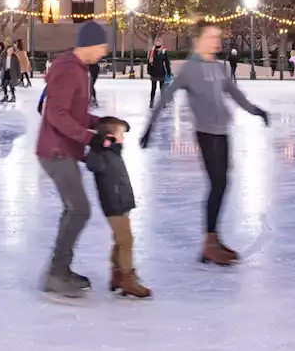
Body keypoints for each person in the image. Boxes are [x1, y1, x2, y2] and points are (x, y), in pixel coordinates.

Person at [141, 20, 271, 266]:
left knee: (222, 184)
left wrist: (256, 111)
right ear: (198, 41)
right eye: (211, 36)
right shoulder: (190, 68)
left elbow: (235, 94)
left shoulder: (220, 67)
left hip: (222, 131)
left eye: (217, 36)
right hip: (206, 133)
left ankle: (212, 239)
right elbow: (165, 97)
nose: (217, 41)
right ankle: (210, 241)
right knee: (218, 183)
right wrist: (150, 128)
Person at [36, 20, 112, 300]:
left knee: (75, 210)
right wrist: (89, 138)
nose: (104, 52)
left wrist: (103, 122)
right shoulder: (69, 69)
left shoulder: (78, 68)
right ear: (89, 44)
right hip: (56, 151)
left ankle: (60, 270)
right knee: (79, 209)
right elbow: (56, 114)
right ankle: (56, 273)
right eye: (102, 47)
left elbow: (76, 114)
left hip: (64, 149)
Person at [85, 116, 151, 298]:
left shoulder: (113, 151)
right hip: (113, 202)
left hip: (121, 200)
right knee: (126, 241)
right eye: (120, 134)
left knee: (120, 240)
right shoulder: (101, 153)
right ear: (109, 136)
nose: (123, 138)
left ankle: (117, 274)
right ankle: (129, 280)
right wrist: (98, 146)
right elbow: (92, 164)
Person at [146, 39, 172, 108]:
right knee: (153, 88)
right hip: (154, 72)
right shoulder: (152, 51)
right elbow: (149, 62)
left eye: (159, 42)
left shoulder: (163, 51)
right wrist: (149, 71)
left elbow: (166, 62)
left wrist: (169, 71)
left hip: (161, 72)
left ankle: (163, 103)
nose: (158, 43)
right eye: (157, 42)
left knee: (162, 89)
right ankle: (151, 102)